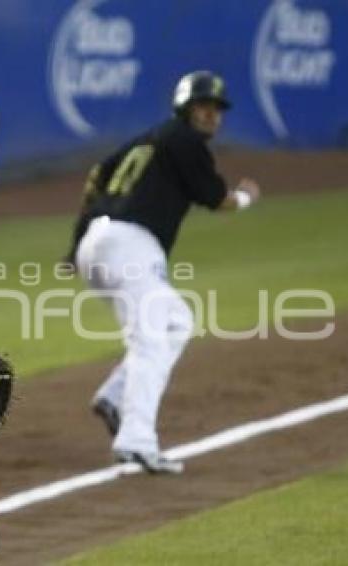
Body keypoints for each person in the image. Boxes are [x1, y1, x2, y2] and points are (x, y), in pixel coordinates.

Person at [67, 71, 261, 474]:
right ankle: (137, 442)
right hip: (130, 244)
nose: (211, 115)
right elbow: (215, 198)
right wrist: (245, 197)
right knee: (150, 340)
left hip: (99, 243)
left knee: (177, 321)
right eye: (203, 106)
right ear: (186, 108)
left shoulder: (147, 139)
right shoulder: (185, 140)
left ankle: (115, 396)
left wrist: (76, 243)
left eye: (216, 108)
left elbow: (95, 177)